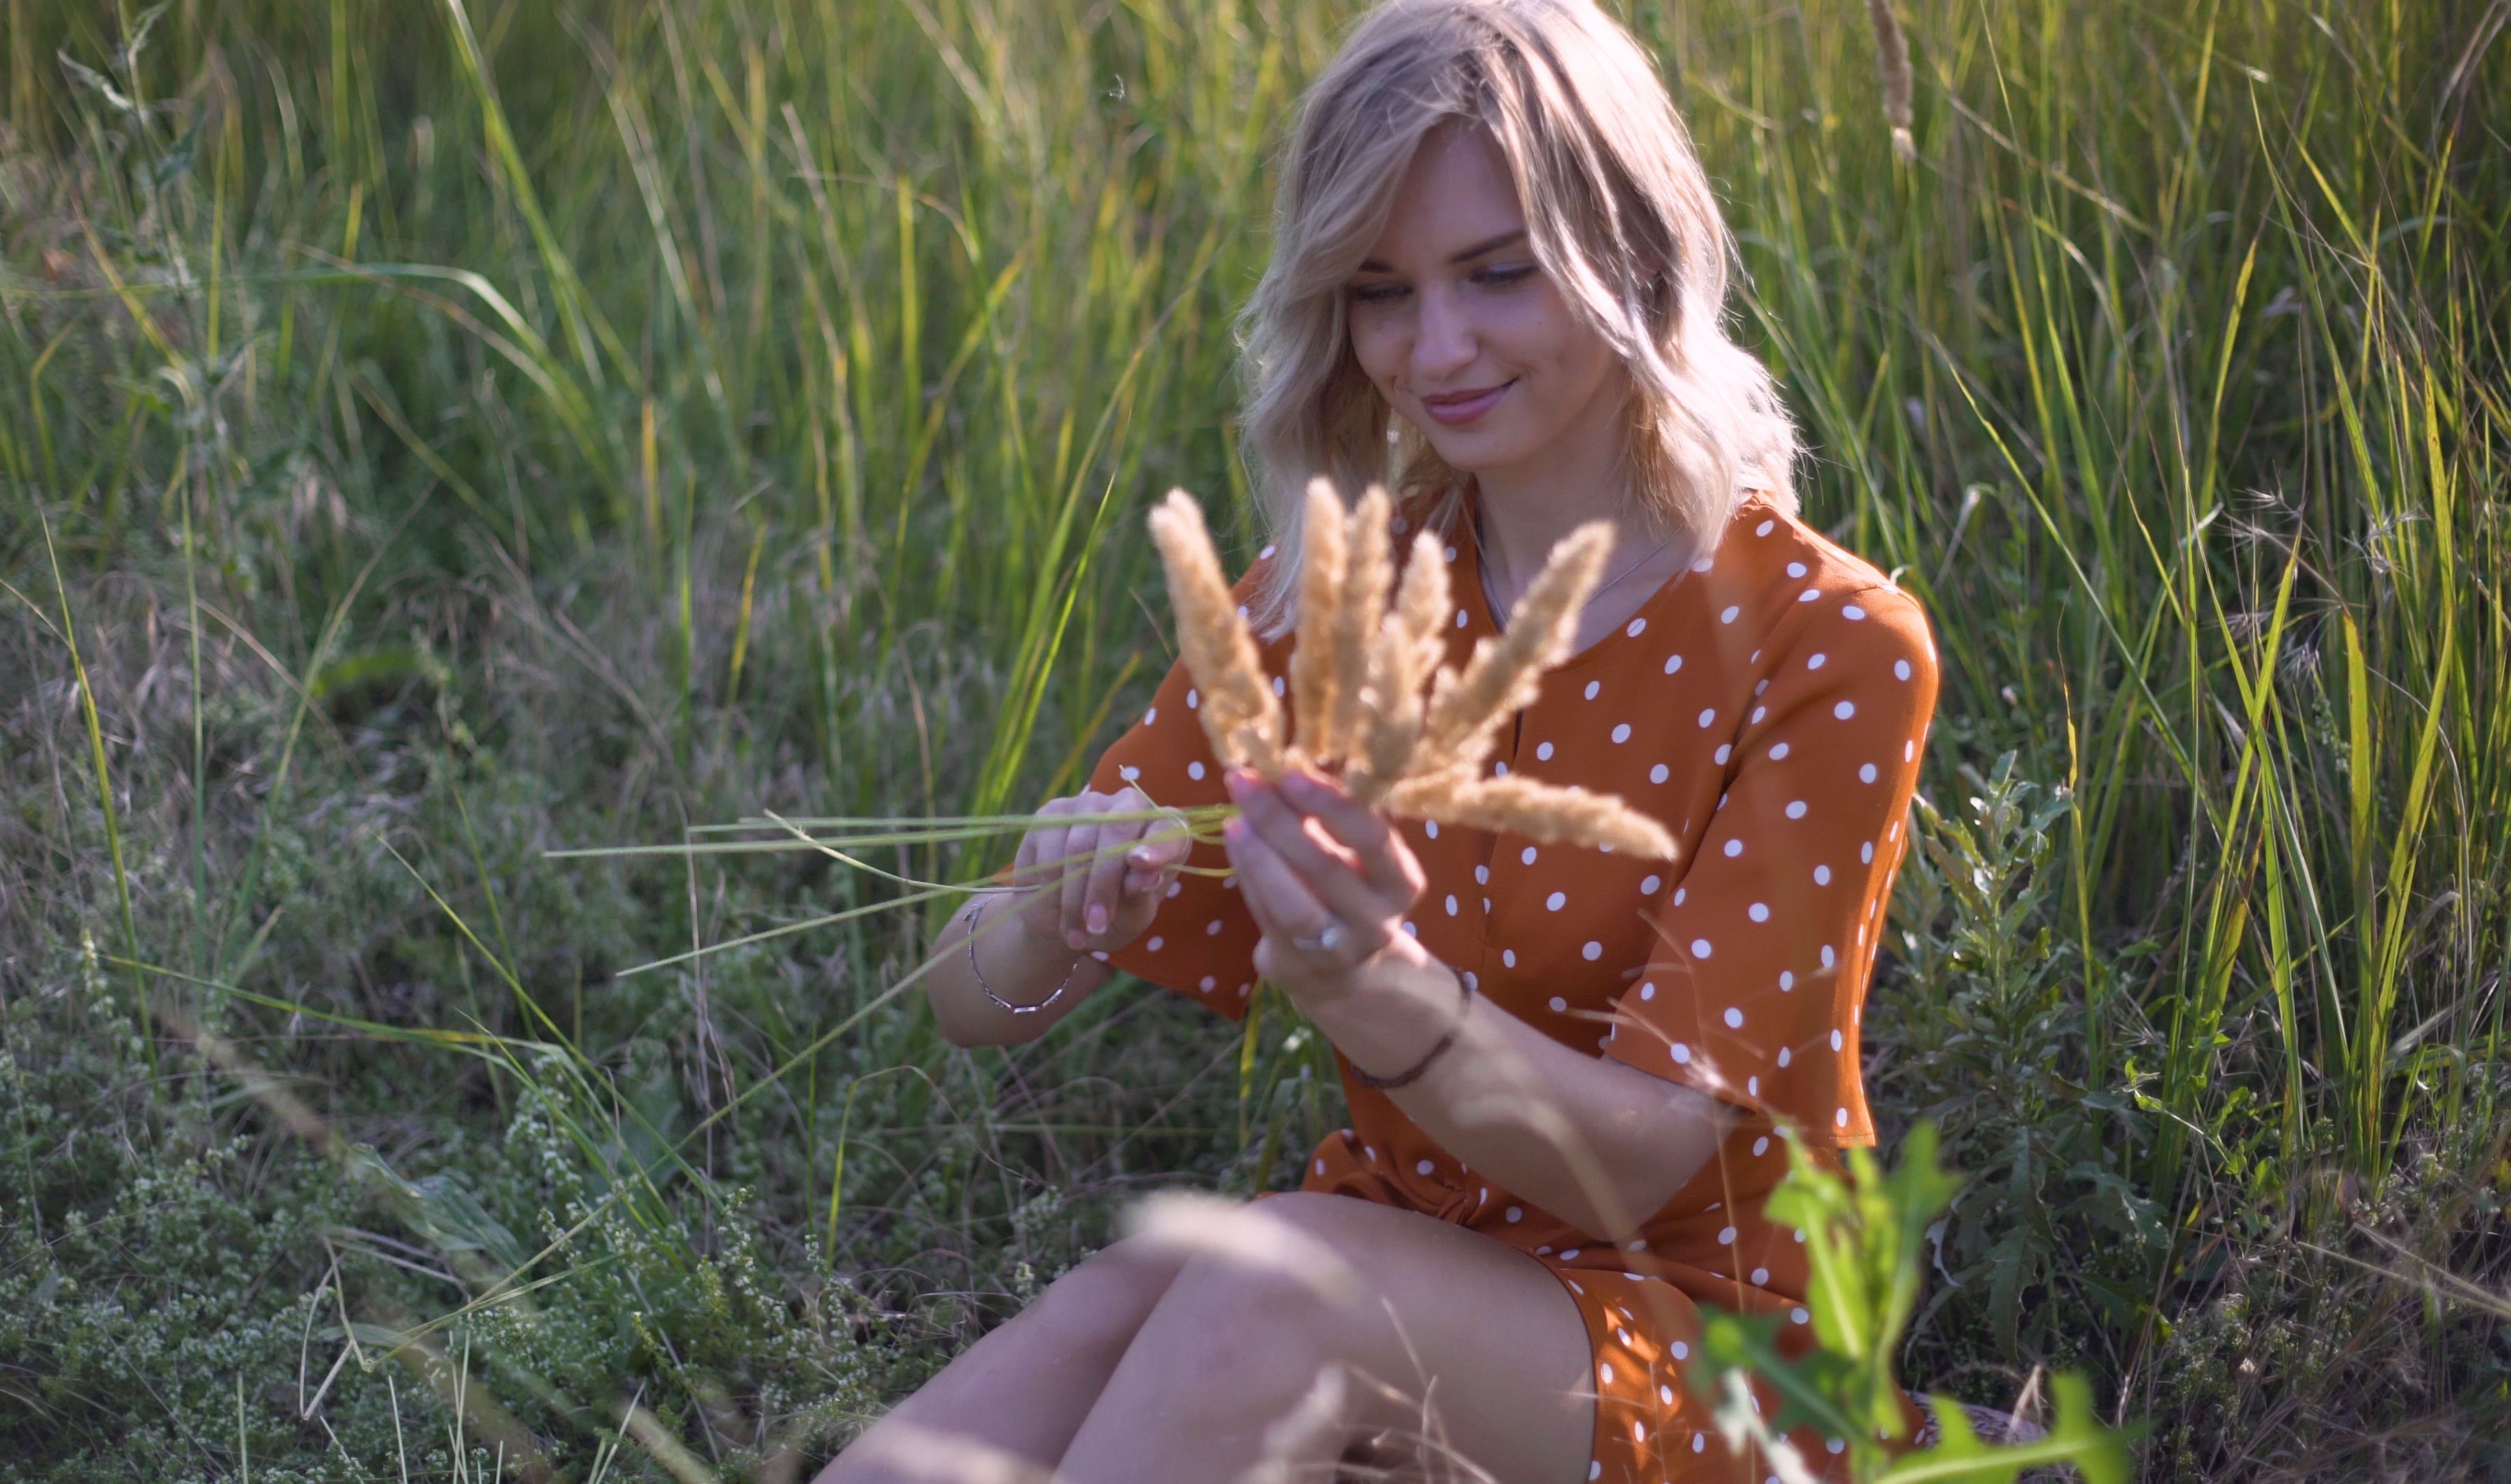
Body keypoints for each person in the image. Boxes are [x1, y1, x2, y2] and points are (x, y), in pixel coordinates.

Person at [823, 0, 1938, 1479]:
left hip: (1717, 1351)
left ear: (1635, 253)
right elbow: (969, 999)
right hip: (1380, 1273)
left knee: (1274, 1284)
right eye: (1378, 290)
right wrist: (1043, 910)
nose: (1436, 347)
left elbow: (1650, 1163)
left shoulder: (1825, 643)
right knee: (1139, 1301)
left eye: (1497, 273)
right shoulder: (1330, 600)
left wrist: (1380, 996)